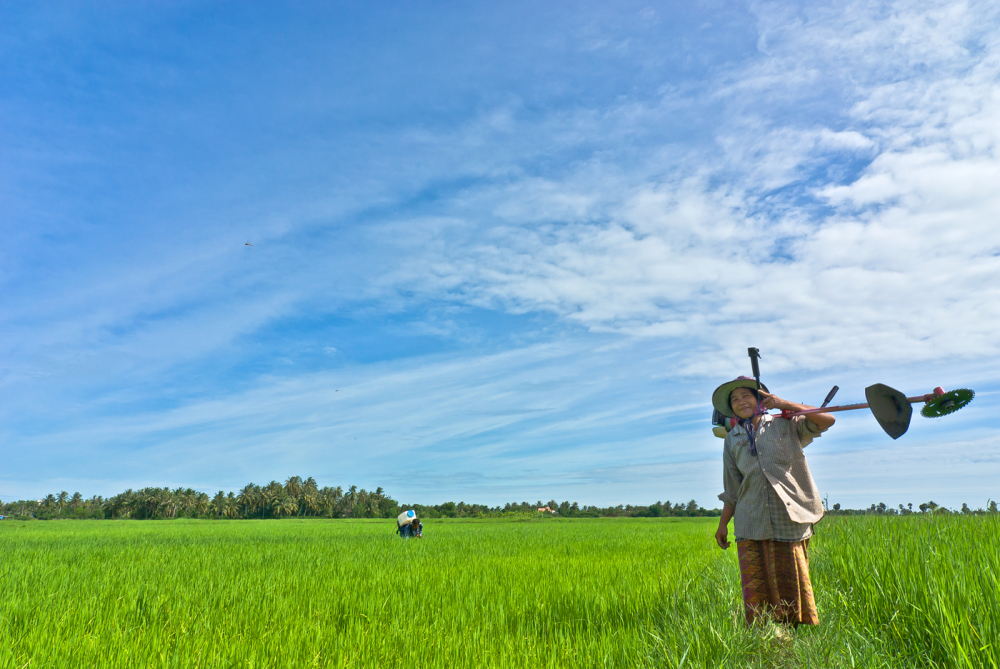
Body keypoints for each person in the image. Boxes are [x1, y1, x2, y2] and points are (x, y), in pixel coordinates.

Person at [713, 375, 835, 627]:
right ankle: (763, 630)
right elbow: (733, 488)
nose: (740, 401)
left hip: (788, 514)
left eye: (746, 395)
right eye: (734, 399)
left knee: (791, 573)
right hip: (750, 518)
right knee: (756, 579)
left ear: (761, 399)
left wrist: (784, 404)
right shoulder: (732, 439)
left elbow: (827, 420)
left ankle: (795, 629)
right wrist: (723, 524)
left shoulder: (786, 423)